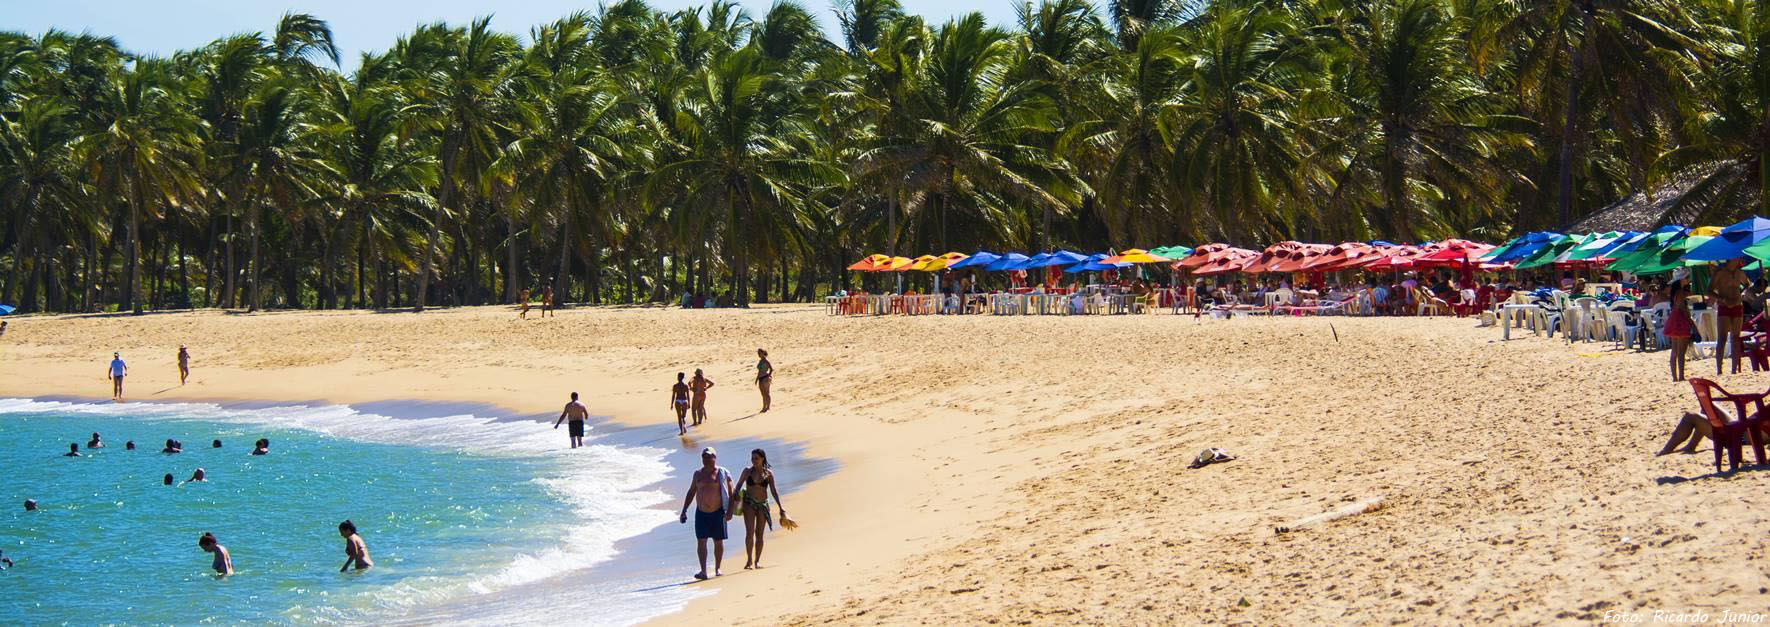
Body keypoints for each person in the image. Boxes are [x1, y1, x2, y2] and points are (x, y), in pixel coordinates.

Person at [679, 447, 733, 580]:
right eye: (704, 457)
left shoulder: (722, 473)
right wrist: (684, 510)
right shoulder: (697, 474)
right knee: (701, 541)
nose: (707, 459)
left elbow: (732, 492)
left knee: (718, 541)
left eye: (709, 456)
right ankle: (703, 571)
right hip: (701, 513)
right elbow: (691, 492)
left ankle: (717, 568)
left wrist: (730, 511)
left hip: (718, 512)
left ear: (715, 457)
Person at [735, 449, 786, 570]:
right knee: (749, 533)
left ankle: (757, 561)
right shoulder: (747, 471)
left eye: (756, 458)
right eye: (752, 458)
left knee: (760, 534)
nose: (754, 461)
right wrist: (736, 494)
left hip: (763, 504)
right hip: (749, 504)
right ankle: (749, 560)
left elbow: (773, 491)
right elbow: (739, 484)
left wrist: (780, 507)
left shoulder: (768, 474)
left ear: (762, 458)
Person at [1713, 258, 1749, 375]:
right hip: (1724, 306)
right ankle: (1719, 370)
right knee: (1722, 338)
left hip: (1737, 306)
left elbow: (1747, 284)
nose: (1739, 259)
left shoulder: (1740, 273)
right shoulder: (1720, 273)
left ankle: (1735, 369)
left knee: (1735, 338)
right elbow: (1709, 290)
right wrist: (1722, 299)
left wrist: (1740, 295)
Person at [1665, 284, 1694, 382]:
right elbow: (1683, 309)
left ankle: (1675, 377)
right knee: (1681, 352)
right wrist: (1691, 322)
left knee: (1674, 351)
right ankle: (1681, 376)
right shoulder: (1681, 293)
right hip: (1681, 321)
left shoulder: (1675, 292)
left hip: (1674, 319)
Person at [755, 349, 773, 414]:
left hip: (765, 378)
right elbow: (759, 371)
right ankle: (763, 407)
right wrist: (756, 379)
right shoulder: (760, 361)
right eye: (758, 353)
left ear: (763, 353)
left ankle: (768, 407)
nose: (758, 354)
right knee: (763, 394)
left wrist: (769, 376)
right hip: (760, 378)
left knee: (767, 393)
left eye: (759, 353)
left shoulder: (766, 361)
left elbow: (771, 369)